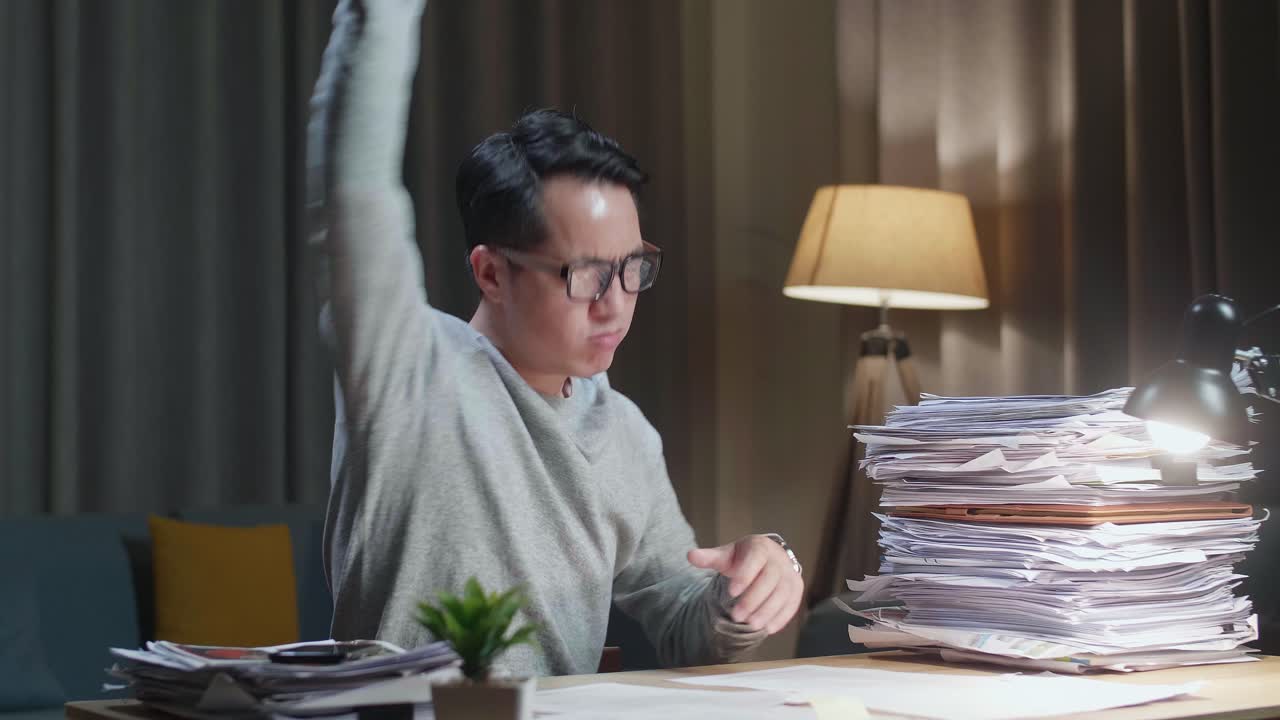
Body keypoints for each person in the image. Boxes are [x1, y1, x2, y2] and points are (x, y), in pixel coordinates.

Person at [307, 0, 804, 676]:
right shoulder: (412, 372)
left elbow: (683, 619)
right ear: (491, 273)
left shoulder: (624, 433)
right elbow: (354, 191)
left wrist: (745, 590)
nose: (616, 305)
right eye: (586, 275)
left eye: (633, 270)